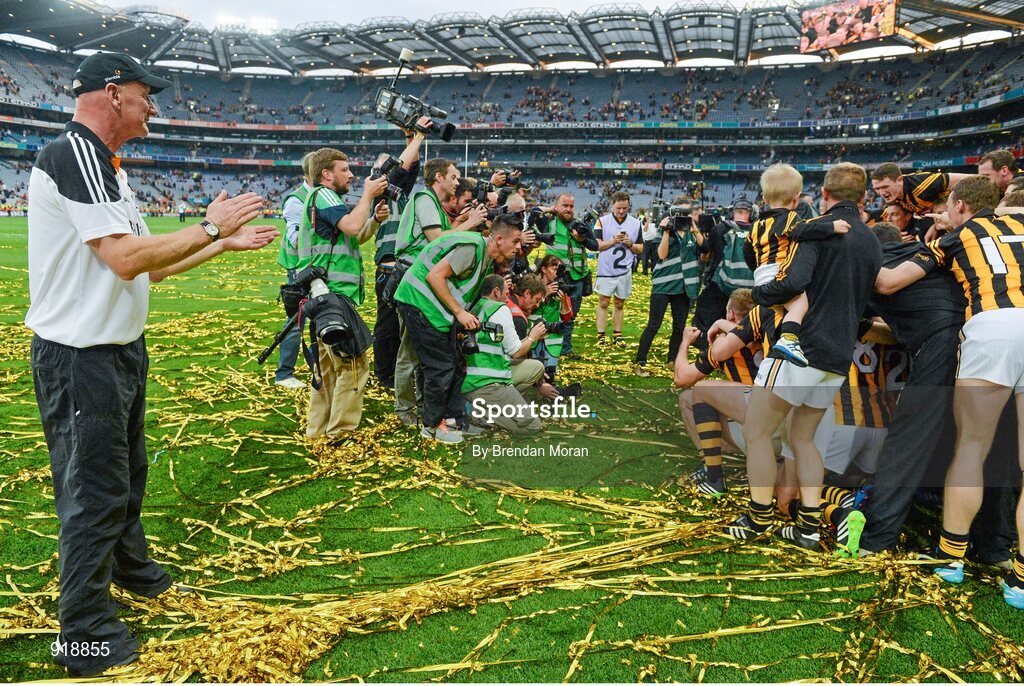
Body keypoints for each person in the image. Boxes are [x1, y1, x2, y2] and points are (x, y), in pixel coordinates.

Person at [26, 51, 278, 677]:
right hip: (81, 356)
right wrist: (205, 224)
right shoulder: (76, 154)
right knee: (94, 490)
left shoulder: (109, 167)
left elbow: (153, 263)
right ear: (112, 93)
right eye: (145, 94)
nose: (153, 107)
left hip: (114, 350)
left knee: (125, 474)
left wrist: (218, 241)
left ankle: (131, 569)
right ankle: (81, 631)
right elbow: (123, 258)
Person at [873, 175, 1024, 609]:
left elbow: (888, 283)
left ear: (958, 205)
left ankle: (951, 556)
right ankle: (1018, 579)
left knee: (972, 448)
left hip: (991, 327)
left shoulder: (959, 236)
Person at [730, 162, 882, 551]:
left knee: (757, 430)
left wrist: (760, 296)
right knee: (804, 439)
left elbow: (793, 283)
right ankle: (809, 526)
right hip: (837, 355)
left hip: (800, 348)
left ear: (824, 196)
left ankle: (759, 516)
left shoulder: (815, 233)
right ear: (865, 198)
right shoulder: (872, 240)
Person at [393, 214, 523, 443]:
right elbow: (435, 276)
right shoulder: (472, 247)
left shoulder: (484, 256)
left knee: (455, 364)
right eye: (516, 242)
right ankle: (432, 427)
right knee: (440, 367)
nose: (519, 248)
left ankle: (452, 420)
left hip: (434, 311)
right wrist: (459, 313)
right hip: (419, 303)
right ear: (500, 239)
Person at [295, 148, 389, 437]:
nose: (351, 175)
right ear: (327, 174)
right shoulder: (323, 195)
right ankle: (341, 435)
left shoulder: (326, 199)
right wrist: (368, 196)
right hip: (333, 294)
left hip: (323, 294)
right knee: (353, 364)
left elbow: (356, 233)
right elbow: (350, 224)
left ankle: (317, 430)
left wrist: (373, 219)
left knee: (326, 369)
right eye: (345, 170)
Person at [745, 163, 851, 367]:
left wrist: (758, 269)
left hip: (760, 277)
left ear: (765, 199)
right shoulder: (790, 218)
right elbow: (803, 231)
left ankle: (783, 340)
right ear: (796, 198)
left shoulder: (756, 225)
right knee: (800, 304)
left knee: (783, 309)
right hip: (780, 274)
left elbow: (747, 252)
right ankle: (789, 340)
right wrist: (831, 227)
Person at [392, 157, 464, 426]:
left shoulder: (432, 202)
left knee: (421, 348)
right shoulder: (424, 199)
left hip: (422, 279)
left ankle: (420, 402)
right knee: (409, 350)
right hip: (412, 279)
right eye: (454, 177)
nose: (457, 182)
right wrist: (469, 225)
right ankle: (404, 408)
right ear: (438, 178)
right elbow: (437, 243)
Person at [371, 121, 429, 390]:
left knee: (397, 324)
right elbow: (403, 170)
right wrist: (416, 135)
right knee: (387, 325)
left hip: (401, 267)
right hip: (388, 268)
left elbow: (411, 168)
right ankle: (384, 374)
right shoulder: (378, 190)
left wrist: (410, 136)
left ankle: (392, 372)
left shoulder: (398, 193)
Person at [462, 273, 548, 434]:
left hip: (473, 378)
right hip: (487, 382)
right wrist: (532, 337)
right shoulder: (499, 309)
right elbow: (515, 352)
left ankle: (489, 407)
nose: (508, 296)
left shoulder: (477, 307)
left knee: (536, 367)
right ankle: (479, 414)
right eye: (506, 292)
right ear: (496, 292)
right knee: (533, 425)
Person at [634, 203, 704, 377]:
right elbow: (662, 255)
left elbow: (705, 250)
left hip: (683, 286)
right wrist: (666, 231)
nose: (681, 220)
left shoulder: (691, 233)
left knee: (679, 327)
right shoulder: (664, 231)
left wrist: (694, 228)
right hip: (663, 285)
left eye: (684, 216)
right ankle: (640, 361)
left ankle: (672, 360)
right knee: (653, 325)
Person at [532, 193, 598, 359]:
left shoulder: (581, 225)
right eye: (565, 206)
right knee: (550, 311)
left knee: (570, 314)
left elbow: (595, 246)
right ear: (557, 206)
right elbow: (533, 212)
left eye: (571, 206)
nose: (568, 209)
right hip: (554, 276)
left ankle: (565, 349)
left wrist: (581, 239)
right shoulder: (548, 221)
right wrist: (548, 210)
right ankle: (545, 343)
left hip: (577, 276)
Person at [690, 199, 755, 345]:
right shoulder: (758, 230)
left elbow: (705, 255)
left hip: (720, 284)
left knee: (708, 317)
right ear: (752, 214)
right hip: (749, 287)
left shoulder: (720, 229)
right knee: (745, 322)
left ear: (732, 213)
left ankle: (709, 350)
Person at [273, 153, 312, 389]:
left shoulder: (316, 196)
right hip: (299, 270)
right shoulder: (296, 200)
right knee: (296, 322)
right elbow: (296, 239)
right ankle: (284, 374)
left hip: (314, 268)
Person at [594, 191, 644, 346]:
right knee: (603, 302)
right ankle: (601, 335)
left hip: (624, 271)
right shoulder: (602, 221)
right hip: (606, 270)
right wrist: (614, 241)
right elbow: (597, 245)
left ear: (629, 206)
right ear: (612, 206)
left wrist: (630, 244)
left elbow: (640, 248)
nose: (621, 211)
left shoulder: (636, 223)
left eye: (624, 208)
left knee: (619, 303)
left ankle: (617, 335)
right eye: (618, 208)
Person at [870, 163, 970, 240]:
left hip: (960, 218)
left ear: (899, 180)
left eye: (885, 187)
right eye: (877, 188)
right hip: (937, 223)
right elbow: (884, 219)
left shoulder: (922, 184)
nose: (881, 193)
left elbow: (972, 181)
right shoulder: (893, 197)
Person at [529, 256, 574, 387]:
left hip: (552, 340)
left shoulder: (561, 286)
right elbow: (525, 307)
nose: (557, 272)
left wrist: (564, 301)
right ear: (543, 269)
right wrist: (545, 294)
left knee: (550, 375)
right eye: (554, 268)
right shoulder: (532, 285)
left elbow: (567, 317)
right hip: (531, 337)